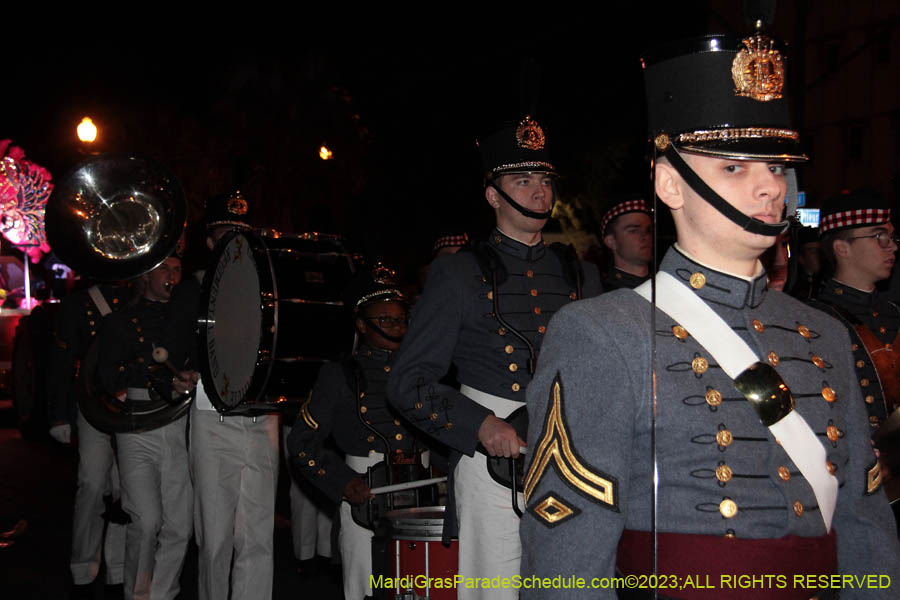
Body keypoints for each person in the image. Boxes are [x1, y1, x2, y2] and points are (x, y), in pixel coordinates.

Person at [520, 33, 900, 599]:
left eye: (775, 166)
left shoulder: (824, 332)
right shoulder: (601, 333)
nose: (770, 185)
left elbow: (864, 525)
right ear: (670, 183)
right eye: (734, 168)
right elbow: (567, 548)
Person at [387, 116, 601, 600]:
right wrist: (479, 424)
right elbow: (407, 381)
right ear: (492, 195)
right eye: (522, 181)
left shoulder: (582, 274)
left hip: (573, 455)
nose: (538, 192)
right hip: (492, 460)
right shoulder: (456, 274)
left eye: (544, 180)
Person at [288, 264, 430, 600]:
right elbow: (301, 442)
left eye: (400, 320)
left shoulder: (422, 371)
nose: (396, 327)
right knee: (367, 588)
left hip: (419, 490)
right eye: (386, 321)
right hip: (366, 493)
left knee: (415, 587)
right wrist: (343, 483)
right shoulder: (339, 375)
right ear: (361, 326)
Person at [188, 191, 282, 600]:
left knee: (259, 535)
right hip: (214, 419)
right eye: (225, 233)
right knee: (215, 538)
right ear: (210, 242)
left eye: (240, 234)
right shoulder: (193, 289)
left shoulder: (269, 288)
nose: (232, 242)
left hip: (262, 418)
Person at [98, 253, 196, 600]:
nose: (172, 275)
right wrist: (146, 369)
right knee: (146, 521)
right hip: (137, 426)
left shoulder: (189, 321)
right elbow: (107, 378)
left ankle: (163, 594)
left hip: (180, 425)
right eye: (164, 268)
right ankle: (137, 595)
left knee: (180, 527)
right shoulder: (120, 322)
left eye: (177, 268)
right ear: (145, 276)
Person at [47, 282, 129, 598]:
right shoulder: (78, 304)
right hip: (92, 403)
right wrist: (59, 414)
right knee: (92, 485)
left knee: (127, 490)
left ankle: (118, 569)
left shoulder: (138, 294)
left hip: (129, 405)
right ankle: (83, 568)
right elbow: (62, 361)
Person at [808, 189, 899, 431]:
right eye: (879, 237)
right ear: (842, 249)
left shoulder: (894, 314)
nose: (892, 247)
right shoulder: (814, 320)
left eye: (891, 238)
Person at [599, 196, 653, 290]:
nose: (645, 236)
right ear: (611, 242)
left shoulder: (666, 284)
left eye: (648, 230)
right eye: (634, 231)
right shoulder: (606, 295)